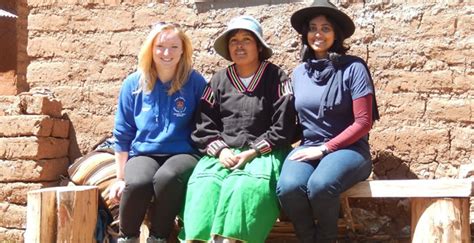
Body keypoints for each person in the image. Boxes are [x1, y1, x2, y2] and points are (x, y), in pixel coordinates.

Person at [180, 16, 297, 243]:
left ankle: (230, 240)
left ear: (258, 46)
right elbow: (204, 125)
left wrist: (252, 151)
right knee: (205, 185)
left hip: (264, 153)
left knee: (245, 187)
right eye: (234, 41)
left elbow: (284, 126)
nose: (239, 46)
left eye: (246, 40)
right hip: (224, 154)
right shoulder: (218, 81)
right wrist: (222, 151)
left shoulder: (277, 77)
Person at [276, 1, 380, 242]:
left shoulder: (353, 68)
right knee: (289, 188)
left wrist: (324, 149)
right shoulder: (299, 73)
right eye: (312, 28)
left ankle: (327, 238)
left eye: (325, 28)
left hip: (349, 149)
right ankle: (307, 238)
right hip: (309, 146)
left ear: (336, 34)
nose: (318, 34)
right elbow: (295, 122)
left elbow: (363, 122)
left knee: (321, 185)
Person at [109, 22, 207, 243]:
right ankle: (128, 237)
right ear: (150, 49)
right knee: (138, 183)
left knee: (167, 177)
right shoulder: (133, 84)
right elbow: (123, 133)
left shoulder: (195, 82)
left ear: (183, 50)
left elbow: (206, 124)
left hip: (184, 153)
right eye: (160, 46)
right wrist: (119, 177)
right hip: (144, 152)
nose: (166, 53)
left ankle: (158, 237)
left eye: (174, 47)